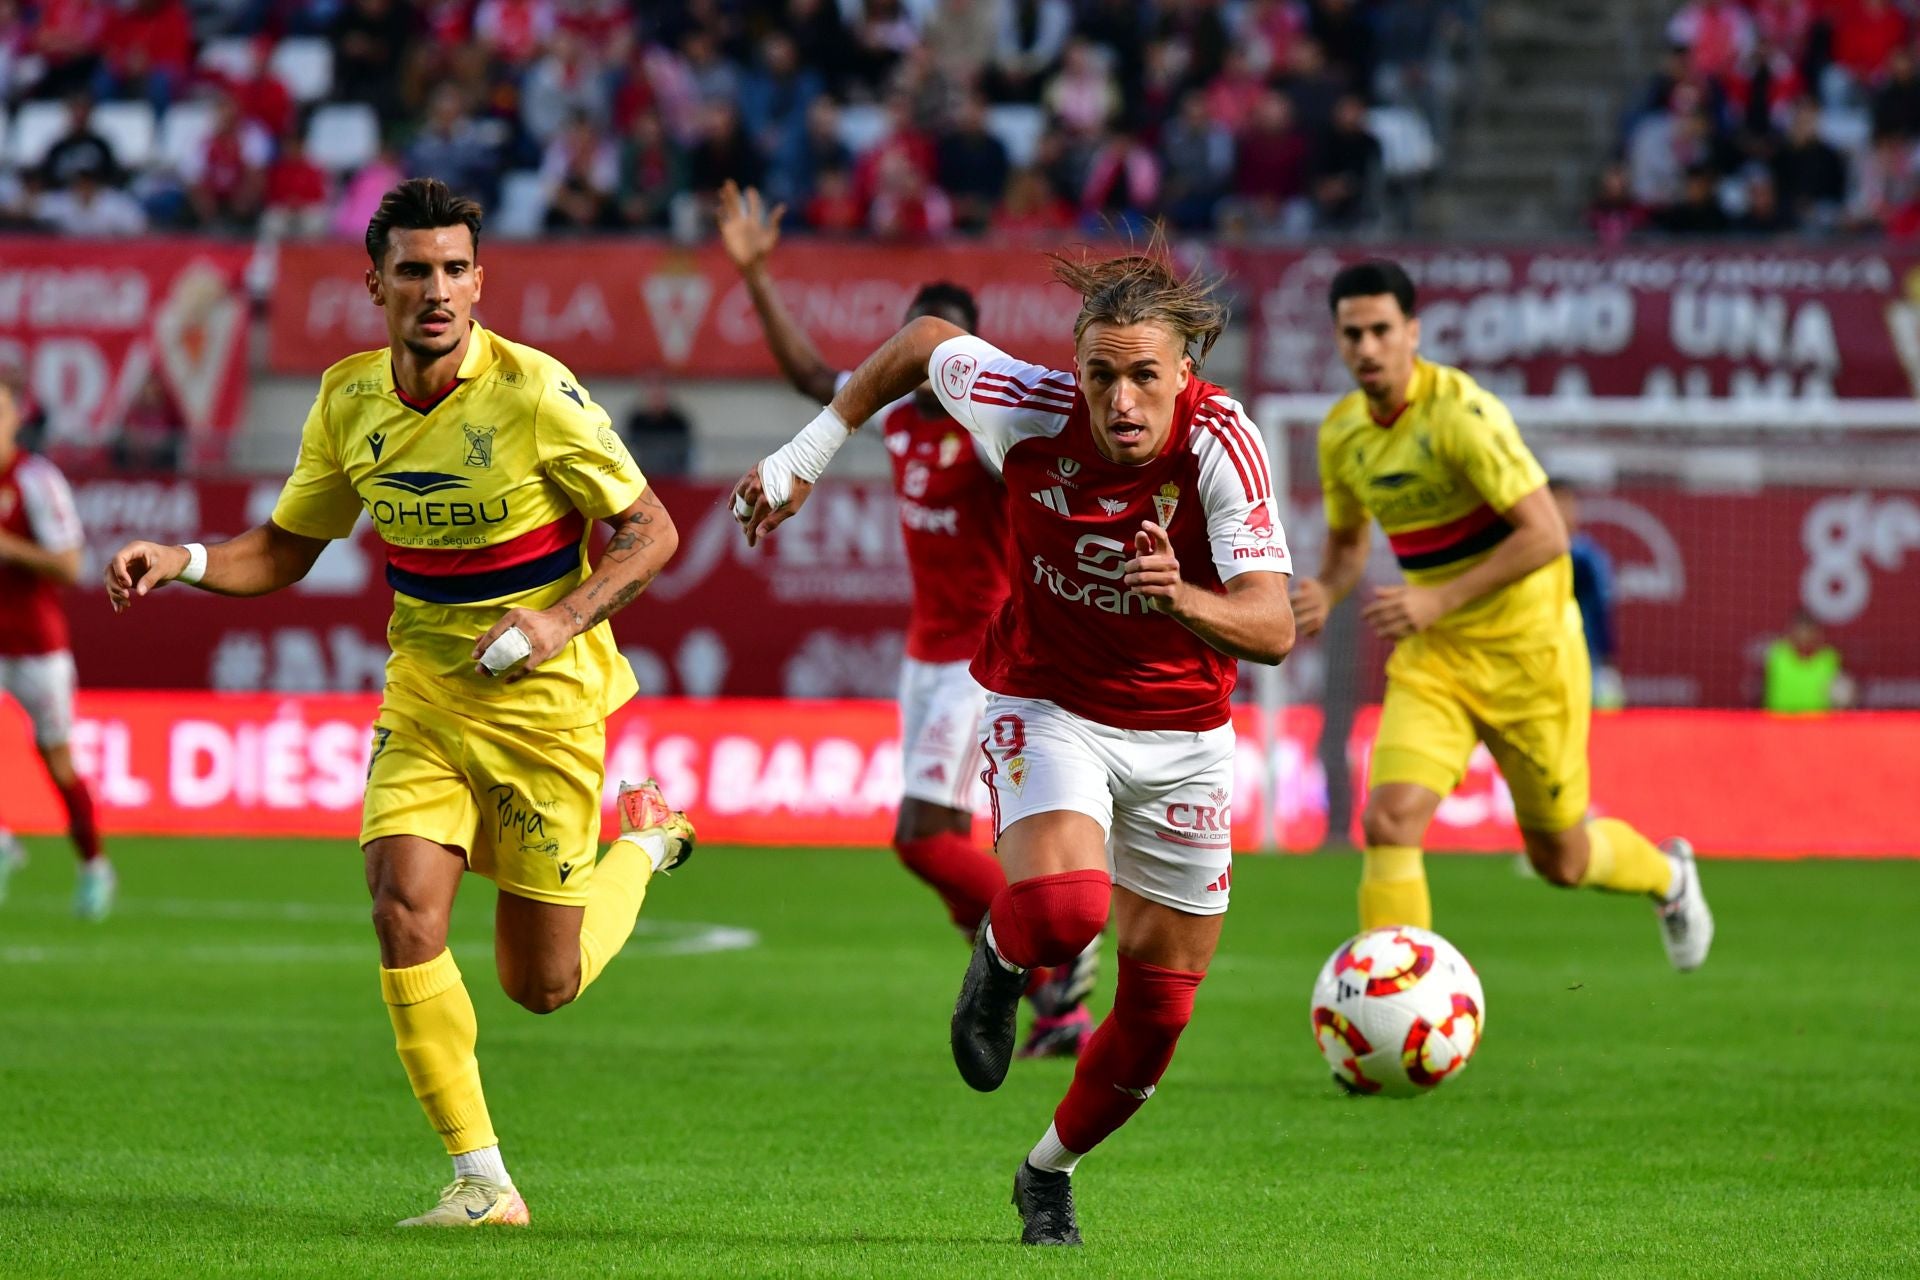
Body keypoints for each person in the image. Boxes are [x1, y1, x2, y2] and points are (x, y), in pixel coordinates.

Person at [103, 178, 695, 1229]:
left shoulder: (536, 393)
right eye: (415, 270)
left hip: (546, 710)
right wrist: (185, 555)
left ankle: (645, 843)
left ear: (480, 280)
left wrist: (559, 622)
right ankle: (482, 1179)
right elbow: (288, 546)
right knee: (400, 904)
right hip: (423, 696)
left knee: (540, 984)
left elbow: (652, 531)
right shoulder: (348, 397)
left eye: (455, 270)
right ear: (373, 281)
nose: (437, 290)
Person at [730, 243, 1296, 1246]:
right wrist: (806, 452)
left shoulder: (1223, 442)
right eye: (1102, 373)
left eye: (1144, 375)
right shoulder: (1023, 400)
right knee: (1067, 908)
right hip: (1049, 702)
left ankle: (1048, 1171)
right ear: (1075, 367)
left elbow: (1273, 626)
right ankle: (999, 954)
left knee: (1159, 1019)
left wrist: (1181, 599)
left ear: (1187, 368)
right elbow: (921, 343)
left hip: (1186, 736)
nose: (1121, 399)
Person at [714, 180, 1096, 1061]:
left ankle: (1051, 951)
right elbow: (814, 380)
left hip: (979, 658)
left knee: (920, 837)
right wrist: (758, 276)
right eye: (909, 347)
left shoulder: (992, 440)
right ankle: (1051, 1000)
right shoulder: (888, 417)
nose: (917, 365)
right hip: (923, 658)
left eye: (936, 353)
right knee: (932, 838)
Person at [1289, 260, 1713, 976]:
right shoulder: (1342, 435)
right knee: (1388, 819)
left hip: (1531, 658)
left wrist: (1435, 599)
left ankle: (1669, 880)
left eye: (1381, 330)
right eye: (1352, 333)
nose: (1366, 347)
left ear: (1412, 332)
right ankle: (1396, 1002)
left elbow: (1547, 533)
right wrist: (1328, 591)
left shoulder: (1460, 415)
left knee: (1562, 857)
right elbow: (1348, 546)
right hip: (1437, 660)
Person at [0, 368, 113, 919]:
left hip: (34, 646)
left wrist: (9, 548)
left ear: (17, 418)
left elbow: (70, 564)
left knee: (57, 761)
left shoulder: (35, 480)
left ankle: (94, 866)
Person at [1549, 478, 1624, 710]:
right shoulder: (1522, 555)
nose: (1564, 512)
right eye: (1557, 504)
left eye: (1568, 504)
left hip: (1583, 660)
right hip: (1537, 661)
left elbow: (1603, 610)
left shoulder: (1587, 556)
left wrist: (1606, 661)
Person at [1764, 610, 1853, 712]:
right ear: (1791, 631)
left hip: (1817, 724)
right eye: (1800, 630)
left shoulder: (1829, 659)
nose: (1804, 636)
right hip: (1778, 722)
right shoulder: (1777, 655)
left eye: (1808, 631)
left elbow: (1843, 695)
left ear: (1817, 633)